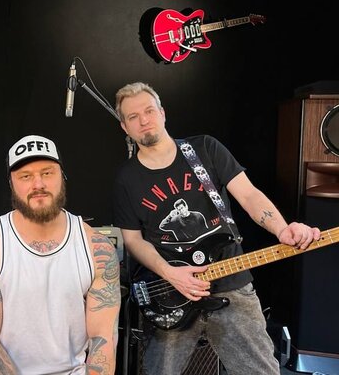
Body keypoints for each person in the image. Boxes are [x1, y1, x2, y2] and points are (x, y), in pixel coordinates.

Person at [111, 82, 321, 375]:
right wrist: (170, 273)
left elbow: (249, 195)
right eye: (133, 116)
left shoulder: (204, 149)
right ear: (124, 127)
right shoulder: (126, 178)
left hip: (231, 282)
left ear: (162, 113)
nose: (143, 120)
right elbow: (133, 240)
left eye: (149, 111)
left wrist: (282, 230)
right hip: (170, 293)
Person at [0, 134, 121, 375]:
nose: (38, 184)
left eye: (47, 173)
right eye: (25, 176)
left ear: (62, 177)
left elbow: (103, 339)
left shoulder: (96, 247)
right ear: (11, 184)